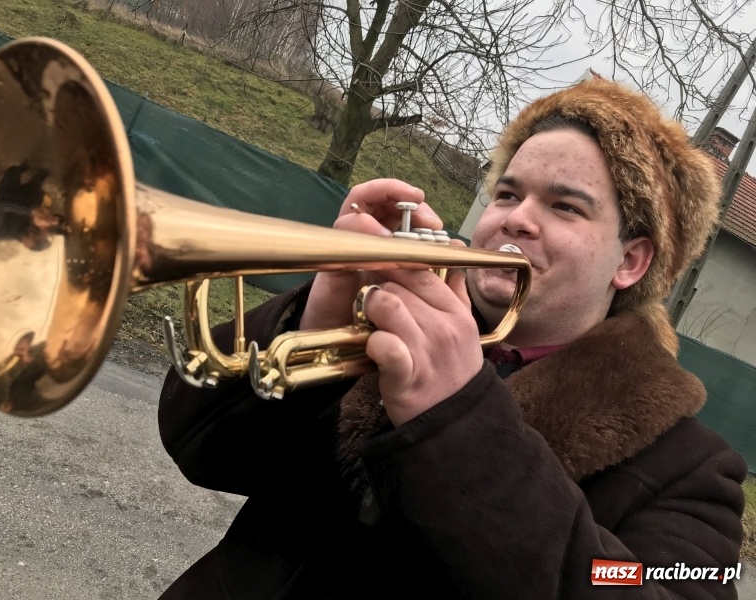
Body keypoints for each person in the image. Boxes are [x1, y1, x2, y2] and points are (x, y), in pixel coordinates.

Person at [157, 79, 747, 599]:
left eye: (565, 206)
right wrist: (315, 312)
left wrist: (458, 418)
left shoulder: (695, 471)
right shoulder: (373, 328)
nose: (515, 218)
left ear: (631, 262)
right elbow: (199, 453)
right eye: (508, 194)